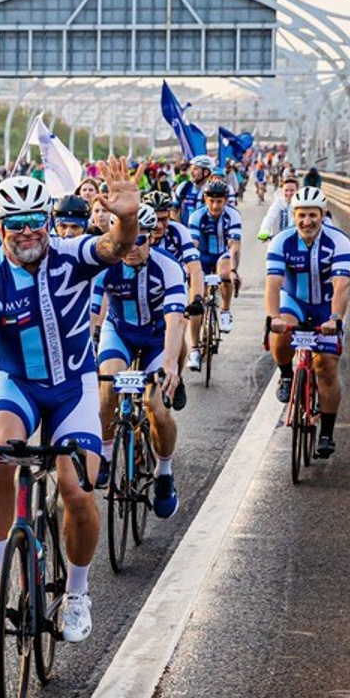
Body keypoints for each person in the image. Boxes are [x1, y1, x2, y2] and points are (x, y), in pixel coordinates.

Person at [0, 160, 143, 644]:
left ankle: (78, 593)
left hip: (73, 386)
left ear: (48, 220)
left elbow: (114, 247)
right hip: (16, 383)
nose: (27, 232)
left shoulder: (71, 253)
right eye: (14, 225)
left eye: (34, 221)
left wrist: (126, 219)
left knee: (76, 489)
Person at [93, 204, 186, 518]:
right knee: (107, 386)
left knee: (155, 407)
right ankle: (105, 453)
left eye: (141, 241)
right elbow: (93, 314)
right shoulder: (105, 265)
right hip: (118, 332)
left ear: (152, 239)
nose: (132, 249)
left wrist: (170, 364)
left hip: (156, 338)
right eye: (127, 241)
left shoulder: (169, 268)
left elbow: (176, 321)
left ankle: (164, 473)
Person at [264, 185, 350, 458]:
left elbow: (341, 286)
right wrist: (273, 318)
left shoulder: (339, 241)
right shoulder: (282, 241)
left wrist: (335, 319)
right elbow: (273, 284)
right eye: (301, 215)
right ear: (293, 214)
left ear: (323, 214)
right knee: (279, 334)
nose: (307, 221)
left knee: (325, 365)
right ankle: (287, 376)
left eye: (313, 215)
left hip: (327, 306)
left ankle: (326, 433)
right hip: (295, 302)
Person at [145, 189, 203, 406]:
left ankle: (177, 377)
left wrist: (196, 298)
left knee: (177, 334)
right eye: (155, 219)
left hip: (171, 294)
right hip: (138, 297)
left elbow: (195, 268)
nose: (159, 226)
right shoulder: (139, 232)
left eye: (164, 219)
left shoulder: (178, 232)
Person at [187, 178, 242, 337]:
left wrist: (233, 269)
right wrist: (188, 267)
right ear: (205, 199)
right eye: (212, 201)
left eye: (219, 201)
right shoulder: (197, 215)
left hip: (222, 253)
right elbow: (194, 243)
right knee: (196, 298)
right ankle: (195, 348)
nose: (215, 206)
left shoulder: (233, 215)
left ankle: (225, 310)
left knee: (225, 273)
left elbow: (234, 245)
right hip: (202, 255)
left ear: (226, 200)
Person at [173, 154, 216, 228]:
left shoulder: (213, 190)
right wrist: (182, 228)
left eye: (195, 169)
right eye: (191, 169)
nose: (191, 172)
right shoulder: (184, 187)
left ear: (205, 172)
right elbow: (172, 210)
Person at [258, 170, 301, 240]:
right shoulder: (278, 202)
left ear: (297, 190)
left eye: (292, 190)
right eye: (286, 190)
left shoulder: (300, 205)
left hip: (295, 240)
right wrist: (264, 230)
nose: (289, 193)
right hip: (278, 239)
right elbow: (270, 217)